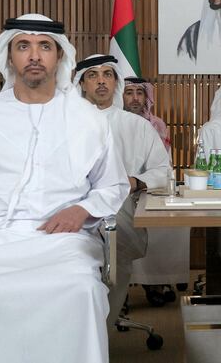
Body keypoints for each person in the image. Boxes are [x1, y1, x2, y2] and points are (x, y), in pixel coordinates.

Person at [0, 14, 129, 363]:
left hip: (63, 241)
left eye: (44, 46)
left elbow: (112, 185)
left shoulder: (88, 119)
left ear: (59, 56)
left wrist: (82, 210)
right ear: (9, 56)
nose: (34, 55)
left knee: (79, 290)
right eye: (23, 46)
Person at [73, 54, 171, 327]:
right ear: (81, 84)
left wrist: (136, 181)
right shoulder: (65, 124)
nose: (101, 81)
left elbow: (164, 171)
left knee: (112, 284)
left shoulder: (137, 126)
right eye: (93, 75)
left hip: (120, 217)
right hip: (73, 220)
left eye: (108, 74)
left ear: (115, 82)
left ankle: (101, 340)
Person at [123, 77, 189, 306]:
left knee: (168, 225)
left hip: (149, 188)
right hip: (116, 192)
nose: (134, 98)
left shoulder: (157, 125)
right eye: (128, 92)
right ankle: (122, 288)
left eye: (139, 93)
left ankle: (155, 282)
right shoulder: (110, 122)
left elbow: (164, 163)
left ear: (146, 97)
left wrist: (145, 181)